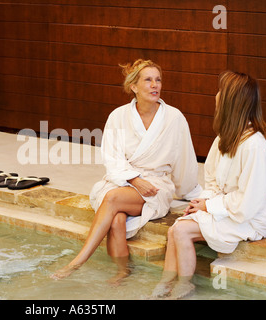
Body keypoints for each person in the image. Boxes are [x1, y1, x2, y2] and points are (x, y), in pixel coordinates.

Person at [51, 59, 201, 283]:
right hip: (123, 181)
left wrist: (192, 193)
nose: (154, 85)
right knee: (117, 220)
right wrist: (133, 179)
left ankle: (76, 263)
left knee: (111, 200)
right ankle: (123, 271)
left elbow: (186, 160)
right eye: (148, 80)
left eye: (158, 80)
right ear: (134, 87)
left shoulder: (174, 118)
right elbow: (111, 158)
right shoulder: (118, 116)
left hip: (155, 187)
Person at [152, 70, 266, 299]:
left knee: (181, 230)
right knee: (176, 229)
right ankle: (164, 284)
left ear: (231, 101)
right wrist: (204, 201)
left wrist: (209, 207)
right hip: (226, 206)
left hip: (254, 215)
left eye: (221, 91)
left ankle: (184, 287)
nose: (217, 95)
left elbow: (249, 203)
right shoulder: (223, 138)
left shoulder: (254, 146)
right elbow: (211, 180)